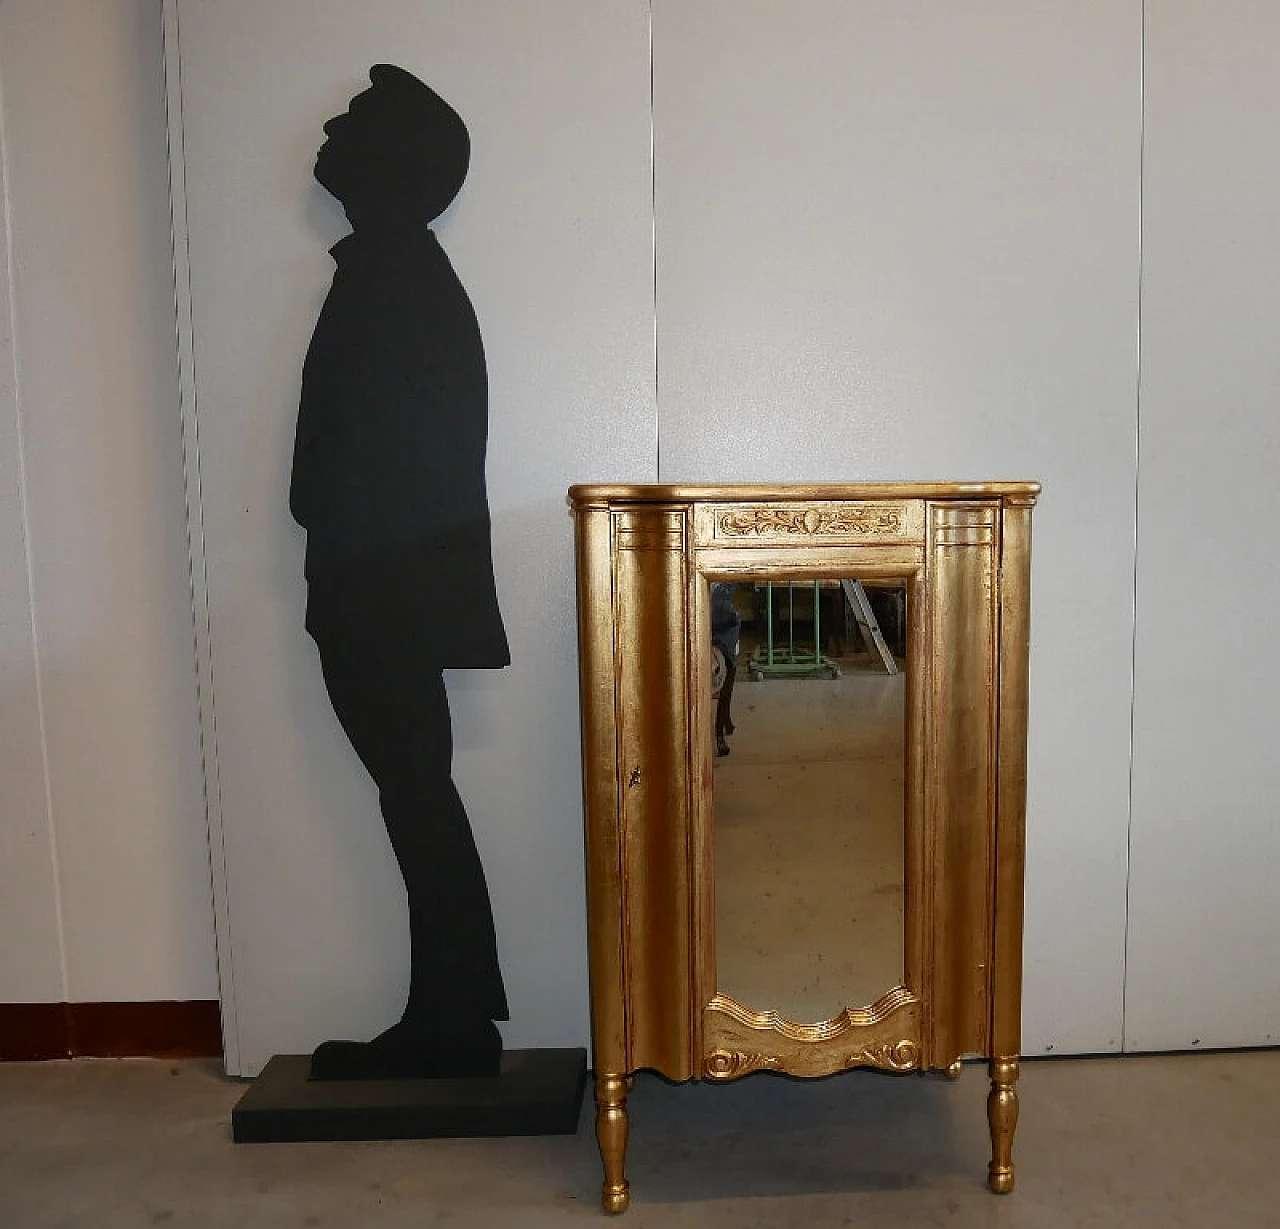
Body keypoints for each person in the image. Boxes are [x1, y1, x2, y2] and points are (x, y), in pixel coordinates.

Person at [290, 64, 509, 1080]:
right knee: (417, 793)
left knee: (416, 793)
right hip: (376, 582)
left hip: (380, 588)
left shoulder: (394, 276)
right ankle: (453, 1011)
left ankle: (452, 1019)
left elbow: (386, 456)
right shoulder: (391, 269)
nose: (326, 137)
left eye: (349, 128)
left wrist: (342, 547)